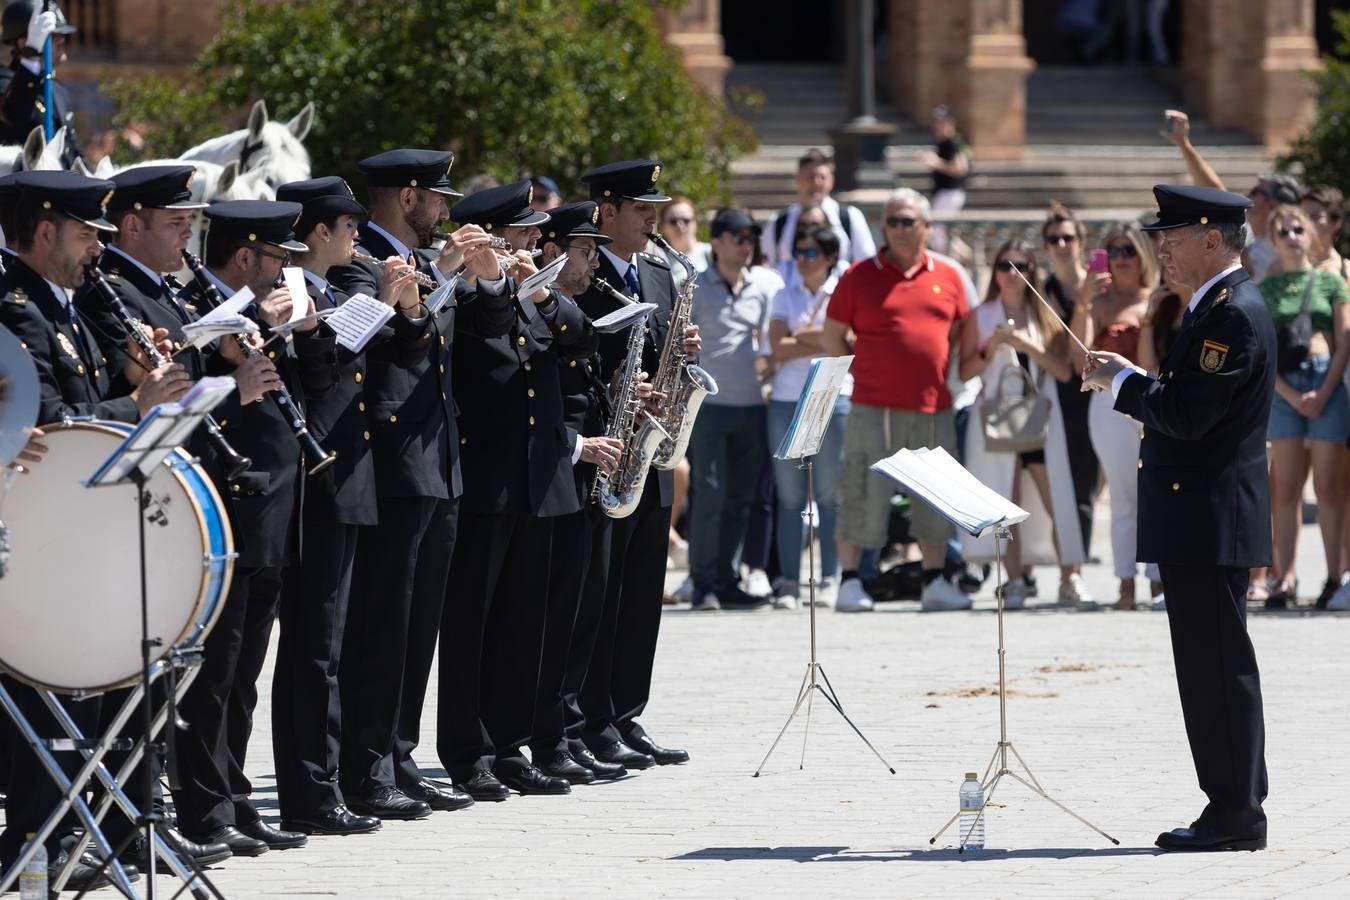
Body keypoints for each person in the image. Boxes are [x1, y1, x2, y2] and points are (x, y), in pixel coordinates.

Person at [0, 169, 195, 891]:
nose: (97, 250)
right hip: (39, 530)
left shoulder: (65, 305)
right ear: (44, 231)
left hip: (77, 526)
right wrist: (135, 406)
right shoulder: (18, 310)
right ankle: (32, 846)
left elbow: (88, 398)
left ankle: (65, 837)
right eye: (86, 234)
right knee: (43, 703)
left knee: (81, 698)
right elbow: (49, 425)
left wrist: (139, 378)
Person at [1083, 184, 1273, 853]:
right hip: (1200, 514)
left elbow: (1189, 415)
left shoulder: (1231, 314)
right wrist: (1130, 377)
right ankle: (1234, 803)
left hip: (1209, 517)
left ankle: (1235, 815)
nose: (1161, 249)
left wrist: (1122, 383)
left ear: (1212, 239)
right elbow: (1188, 399)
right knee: (1211, 668)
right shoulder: (1213, 306)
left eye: (1173, 236)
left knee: (1216, 670)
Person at [327, 149, 512, 811]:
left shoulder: (435, 263)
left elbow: (492, 330)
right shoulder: (359, 262)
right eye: (437, 198)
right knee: (381, 622)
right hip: (391, 458)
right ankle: (365, 767)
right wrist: (437, 275)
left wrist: (490, 279)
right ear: (408, 197)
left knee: (417, 627)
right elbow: (368, 343)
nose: (444, 212)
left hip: (440, 459)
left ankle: (398, 755)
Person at [171, 199, 338, 857]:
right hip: (226, 508)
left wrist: (303, 331)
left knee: (243, 673)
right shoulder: (201, 312)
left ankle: (235, 797)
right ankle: (205, 809)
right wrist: (236, 375)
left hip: (272, 508)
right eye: (276, 259)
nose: (284, 272)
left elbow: (314, 388)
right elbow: (193, 401)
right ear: (245, 256)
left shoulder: (261, 312)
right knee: (214, 674)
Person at [271, 176, 436, 836]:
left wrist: (407, 307)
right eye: (347, 229)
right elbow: (320, 372)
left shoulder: (341, 292)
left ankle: (331, 781)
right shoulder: (295, 292)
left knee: (336, 644)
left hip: (351, 477)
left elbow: (406, 352)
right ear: (320, 232)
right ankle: (309, 791)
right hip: (317, 482)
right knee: (312, 646)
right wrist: (368, 310)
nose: (357, 241)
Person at [437, 180, 590, 798]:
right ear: (491, 238)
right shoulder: (465, 293)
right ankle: (467, 749)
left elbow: (579, 334)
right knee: (473, 623)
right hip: (487, 478)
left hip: (536, 477)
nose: (533, 239)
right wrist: (494, 281)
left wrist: (543, 293)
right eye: (522, 231)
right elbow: (486, 329)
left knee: (523, 622)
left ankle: (508, 743)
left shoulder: (532, 289)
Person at [573, 158, 698, 768]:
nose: (653, 220)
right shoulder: (585, 272)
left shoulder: (659, 273)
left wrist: (684, 354)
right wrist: (619, 383)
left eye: (655, 209)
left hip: (653, 449)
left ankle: (627, 713)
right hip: (609, 449)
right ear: (608, 211)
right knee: (603, 592)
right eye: (641, 210)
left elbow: (667, 350)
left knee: (644, 592)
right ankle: (591, 719)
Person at [821, 187, 972, 613]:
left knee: (936, 495)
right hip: (873, 405)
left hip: (933, 405)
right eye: (891, 221)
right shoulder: (859, 275)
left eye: (907, 221)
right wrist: (863, 372)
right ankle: (850, 580)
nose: (899, 229)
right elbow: (832, 335)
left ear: (926, 226)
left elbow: (960, 332)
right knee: (861, 488)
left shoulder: (950, 275)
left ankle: (934, 579)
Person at [530, 200, 631, 785]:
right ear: (553, 251)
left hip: (590, 467)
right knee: (556, 614)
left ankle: (568, 731)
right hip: (558, 468)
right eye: (586, 250)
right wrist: (578, 444)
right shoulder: (542, 307)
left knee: (585, 609)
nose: (595, 263)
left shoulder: (580, 307)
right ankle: (550, 737)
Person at [958, 241, 1083, 607]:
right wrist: (991, 347)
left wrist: (1027, 345)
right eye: (1004, 266)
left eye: (1021, 267)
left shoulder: (1045, 313)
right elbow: (965, 371)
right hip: (998, 418)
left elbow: (1064, 371)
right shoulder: (980, 315)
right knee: (1004, 502)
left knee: (1057, 499)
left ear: (1032, 272)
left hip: (1041, 419)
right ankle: (1014, 580)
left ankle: (1070, 577)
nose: (1012, 274)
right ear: (994, 272)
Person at [686, 207, 778, 611]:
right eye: (739, 238)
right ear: (718, 242)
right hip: (708, 407)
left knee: (741, 496)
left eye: (750, 238)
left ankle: (727, 579)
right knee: (709, 492)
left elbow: (771, 341)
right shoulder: (695, 286)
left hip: (752, 407)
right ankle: (702, 581)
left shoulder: (763, 286)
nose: (747, 246)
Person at [1257, 204, 1349, 609]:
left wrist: (1324, 391)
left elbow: (1344, 341)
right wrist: (1292, 395)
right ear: (1273, 240)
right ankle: (1286, 576)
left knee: (1329, 487)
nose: (1292, 237)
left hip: (1326, 378)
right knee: (1286, 488)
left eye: (1298, 229)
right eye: (1283, 231)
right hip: (1284, 388)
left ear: (1309, 235)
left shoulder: (1331, 281)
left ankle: (1334, 577)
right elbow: (1262, 351)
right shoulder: (1265, 287)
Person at [1072, 224, 1159, 609]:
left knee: (1154, 492)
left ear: (1143, 255)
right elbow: (1078, 359)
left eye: (1128, 250)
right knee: (1122, 496)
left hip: (1150, 396)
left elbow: (1153, 361)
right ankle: (1126, 584)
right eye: (1113, 252)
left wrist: (1151, 316)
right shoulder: (1098, 303)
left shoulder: (1158, 297)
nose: (1121, 258)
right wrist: (1083, 302)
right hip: (1107, 403)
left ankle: (1158, 581)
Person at [766, 223, 851, 609]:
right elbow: (777, 348)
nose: (802, 259)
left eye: (811, 252)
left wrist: (799, 336)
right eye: (798, 252)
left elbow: (849, 345)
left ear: (830, 257)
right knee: (789, 498)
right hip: (787, 399)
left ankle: (831, 577)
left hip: (834, 395)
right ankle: (789, 583)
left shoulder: (844, 291)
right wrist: (823, 337)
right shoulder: (784, 293)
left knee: (831, 496)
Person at [1040, 203, 1098, 602]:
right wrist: (1083, 305)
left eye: (1068, 238)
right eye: (1054, 239)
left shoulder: (1101, 283)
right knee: (1073, 487)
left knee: (1096, 486)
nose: (1062, 245)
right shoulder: (1043, 292)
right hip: (1064, 396)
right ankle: (1070, 573)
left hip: (1107, 390)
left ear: (1082, 242)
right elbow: (1064, 354)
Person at [0, 1, 86, 166]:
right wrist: (31, 54)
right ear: (24, 42)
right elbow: (13, 113)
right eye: (53, 34)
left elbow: (72, 151)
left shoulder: (59, 89)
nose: (62, 40)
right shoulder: (4, 80)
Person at [760, 148, 875, 271]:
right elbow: (766, 269)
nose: (816, 183)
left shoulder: (850, 217)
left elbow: (867, 265)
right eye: (810, 177)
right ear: (797, 178)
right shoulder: (778, 222)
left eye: (822, 177)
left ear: (831, 180)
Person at [921, 105, 970, 253]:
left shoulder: (952, 142)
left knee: (937, 232)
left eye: (942, 121)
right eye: (936, 121)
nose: (938, 125)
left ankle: (945, 259)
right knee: (945, 233)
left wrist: (937, 162)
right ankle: (967, 257)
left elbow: (960, 168)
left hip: (950, 193)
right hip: (945, 193)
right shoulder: (944, 142)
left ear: (950, 122)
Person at [1244, 174, 1301, 281]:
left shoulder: (1284, 249)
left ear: (1272, 206)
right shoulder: (1250, 241)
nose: (1248, 194)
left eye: (1256, 191)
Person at [657, 195, 711, 287]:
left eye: (686, 220)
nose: (680, 225)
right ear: (663, 226)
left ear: (696, 222)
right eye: (673, 221)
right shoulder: (657, 259)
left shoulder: (711, 252)